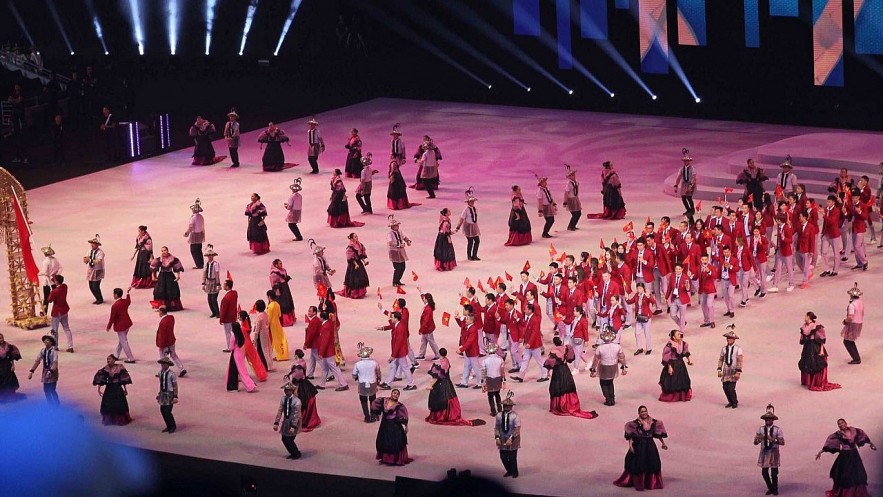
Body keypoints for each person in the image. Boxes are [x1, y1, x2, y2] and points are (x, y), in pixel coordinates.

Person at [816, 418, 877, 497]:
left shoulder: (854, 431)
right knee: (845, 474)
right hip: (845, 456)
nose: (841, 425)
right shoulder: (838, 434)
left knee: (856, 473)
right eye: (839, 424)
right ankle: (845, 494)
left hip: (854, 455)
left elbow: (862, 435)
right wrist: (821, 451)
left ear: (846, 423)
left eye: (842, 423)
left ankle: (857, 493)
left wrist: (871, 443)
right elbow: (830, 442)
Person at [613, 405, 668, 491]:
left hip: (650, 445)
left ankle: (650, 482)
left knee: (652, 462)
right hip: (639, 445)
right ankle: (638, 482)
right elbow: (631, 435)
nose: (644, 413)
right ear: (639, 413)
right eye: (642, 412)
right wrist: (630, 445)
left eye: (645, 411)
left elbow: (657, 434)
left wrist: (663, 443)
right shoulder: (635, 423)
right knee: (639, 463)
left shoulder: (653, 422)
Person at [426, 348, 485, 426]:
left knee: (439, 401)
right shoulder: (446, 360)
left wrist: (430, 385)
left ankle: (440, 417)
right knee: (449, 399)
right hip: (448, 383)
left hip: (440, 385)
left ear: (439, 353)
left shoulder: (439, 364)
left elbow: (436, 377)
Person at [545, 337, 598, 419]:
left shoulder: (553, 351)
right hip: (565, 369)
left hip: (557, 371)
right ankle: (570, 404)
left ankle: (560, 406)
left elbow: (550, 362)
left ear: (554, 343)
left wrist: (547, 372)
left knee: (557, 387)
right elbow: (570, 359)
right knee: (568, 386)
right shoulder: (566, 348)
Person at [798, 311, 841, 391]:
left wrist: (821, 350)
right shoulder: (804, 326)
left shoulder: (816, 326)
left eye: (805, 316)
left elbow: (821, 340)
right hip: (807, 347)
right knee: (807, 362)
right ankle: (809, 381)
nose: (804, 318)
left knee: (816, 363)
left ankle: (816, 382)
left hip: (815, 346)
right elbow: (803, 338)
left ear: (808, 317)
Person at [371, 389, 413, 466]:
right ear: (391, 393)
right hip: (385, 425)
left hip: (394, 426)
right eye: (394, 393)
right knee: (384, 440)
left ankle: (395, 460)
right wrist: (376, 412)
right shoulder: (384, 401)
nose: (395, 395)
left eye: (397, 394)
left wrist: (406, 426)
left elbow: (404, 416)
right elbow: (375, 403)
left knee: (395, 442)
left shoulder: (399, 406)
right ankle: (385, 458)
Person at [377, 311, 417, 390]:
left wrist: (393, 355)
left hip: (399, 352)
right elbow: (392, 326)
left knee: (404, 367)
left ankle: (411, 383)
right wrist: (383, 328)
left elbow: (398, 343)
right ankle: (388, 383)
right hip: (399, 351)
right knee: (393, 366)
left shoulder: (400, 328)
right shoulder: (398, 324)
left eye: (392, 317)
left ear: (396, 318)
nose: (390, 319)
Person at [590, 326, 628, 406]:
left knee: (603, 383)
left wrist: (593, 369)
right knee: (610, 382)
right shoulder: (617, 346)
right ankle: (612, 398)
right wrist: (623, 366)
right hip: (613, 366)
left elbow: (596, 360)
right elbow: (622, 357)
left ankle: (608, 399)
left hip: (604, 366)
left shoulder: (600, 348)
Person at [285, 349, 320, 432]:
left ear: (296, 356)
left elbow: (296, 379)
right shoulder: (303, 362)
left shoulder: (297, 366)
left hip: (300, 386)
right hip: (306, 384)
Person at [92, 355, 132, 426]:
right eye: (107, 359)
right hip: (109, 388)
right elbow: (101, 378)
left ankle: (120, 419)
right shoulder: (106, 368)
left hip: (117, 388)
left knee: (119, 403)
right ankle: (110, 419)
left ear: (114, 360)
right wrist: (99, 389)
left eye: (109, 359)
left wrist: (125, 389)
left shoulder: (120, 367)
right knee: (108, 403)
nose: (108, 361)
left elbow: (123, 379)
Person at [754, 404, 784, 495]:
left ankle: (775, 488)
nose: (767, 421)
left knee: (774, 474)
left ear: (772, 420)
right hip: (764, 453)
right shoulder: (761, 429)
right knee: (764, 473)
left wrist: (773, 440)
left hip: (774, 453)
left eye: (769, 419)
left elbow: (782, 442)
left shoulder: (777, 430)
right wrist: (758, 439)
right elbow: (755, 442)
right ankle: (770, 487)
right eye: (766, 419)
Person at [316, 311, 349, 391]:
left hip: (327, 352)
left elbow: (324, 341)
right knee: (325, 368)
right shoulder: (328, 323)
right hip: (328, 351)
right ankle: (322, 384)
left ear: (322, 318)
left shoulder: (325, 327)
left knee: (334, 368)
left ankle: (343, 384)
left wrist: (321, 353)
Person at [658, 330, 693, 402]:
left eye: (680, 334)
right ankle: (673, 396)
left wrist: (689, 360)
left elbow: (686, 351)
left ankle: (682, 396)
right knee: (672, 381)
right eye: (678, 334)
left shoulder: (683, 343)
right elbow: (666, 356)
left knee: (683, 380)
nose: (680, 335)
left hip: (680, 364)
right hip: (672, 364)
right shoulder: (670, 345)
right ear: (673, 337)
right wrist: (669, 367)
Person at [353, 343, 382, 422]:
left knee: (363, 400)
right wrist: (379, 380)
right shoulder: (374, 363)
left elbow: (354, 374)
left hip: (362, 384)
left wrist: (356, 378)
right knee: (373, 399)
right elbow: (378, 373)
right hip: (372, 383)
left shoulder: (357, 364)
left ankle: (367, 417)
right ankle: (373, 415)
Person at [273, 383, 303, 459]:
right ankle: (293, 453)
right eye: (285, 390)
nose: (286, 391)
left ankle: (296, 453)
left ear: (292, 391)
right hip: (286, 421)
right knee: (284, 439)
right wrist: (276, 422)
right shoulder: (283, 399)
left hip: (293, 422)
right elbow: (280, 410)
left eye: (288, 390)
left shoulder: (297, 401)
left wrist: (293, 426)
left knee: (289, 439)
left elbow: (297, 415)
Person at [150, 247, 184, 311]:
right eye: (162, 251)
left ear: (167, 251)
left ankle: (171, 306)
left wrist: (178, 276)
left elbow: (177, 266)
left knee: (171, 291)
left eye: (165, 250)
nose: (163, 252)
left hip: (170, 276)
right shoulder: (159, 259)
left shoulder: (173, 258)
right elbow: (153, 266)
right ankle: (161, 306)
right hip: (162, 276)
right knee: (159, 291)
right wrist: (153, 276)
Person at [226, 323, 258, 393]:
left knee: (237, 371)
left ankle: (245, 386)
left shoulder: (233, 337)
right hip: (241, 353)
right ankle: (251, 384)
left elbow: (231, 348)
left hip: (235, 355)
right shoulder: (241, 335)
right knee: (244, 371)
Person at [495, 392, 520, 478]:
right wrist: (497, 437)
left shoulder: (515, 416)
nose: (506, 407)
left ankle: (515, 472)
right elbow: (497, 427)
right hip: (502, 438)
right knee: (503, 457)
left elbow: (517, 429)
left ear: (511, 407)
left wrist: (511, 438)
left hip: (513, 439)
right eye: (504, 406)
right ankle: (509, 470)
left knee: (512, 457)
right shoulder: (498, 415)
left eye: (508, 406)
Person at [106, 287, 135, 363]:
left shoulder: (115, 305)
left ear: (116, 295)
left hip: (120, 325)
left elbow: (112, 318)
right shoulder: (125, 302)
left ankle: (131, 358)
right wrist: (128, 293)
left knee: (124, 341)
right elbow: (129, 301)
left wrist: (109, 326)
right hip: (127, 323)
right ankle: (116, 354)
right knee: (121, 340)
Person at [156, 306, 186, 377]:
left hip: (165, 343)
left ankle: (163, 372)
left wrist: (161, 346)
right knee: (174, 355)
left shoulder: (162, 323)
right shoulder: (171, 318)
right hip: (171, 340)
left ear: (161, 312)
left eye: (159, 311)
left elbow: (162, 335)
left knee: (162, 358)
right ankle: (182, 368)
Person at [239, 311, 268, 382]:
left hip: (244, 345)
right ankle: (261, 374)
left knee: (240, 361)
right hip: (249, 344)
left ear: (241, 317)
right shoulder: (246, 324)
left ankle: (239, 375)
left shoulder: (242, 327)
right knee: (254, 360)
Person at [29, 335, 59, 404]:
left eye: (48, 340)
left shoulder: (54, 351)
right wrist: (32, 371)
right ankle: (50, 404)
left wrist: (50, 371)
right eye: (45, 340)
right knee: (46, 390)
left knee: (52, 390)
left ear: (51, 342)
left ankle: (57, 404)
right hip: (45, 372)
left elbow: (55, 362)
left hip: (53, 372)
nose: (46, 341)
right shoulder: (43, 351)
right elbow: (37, 360)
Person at [717, 328, 743, 408]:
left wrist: (738, 372)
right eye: (727, 338)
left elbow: (739, 361)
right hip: (726, 370)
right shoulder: (724, 349)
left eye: (730, 338)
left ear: (734, 340)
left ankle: (734, 401)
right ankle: (730, 401)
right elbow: (721, 359)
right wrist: (719, 369)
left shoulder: (738, 349)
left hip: (733, 370)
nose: (728, 339)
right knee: (725, 387)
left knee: (731, 388)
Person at [47, 274, 74, 353]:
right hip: (64, 310)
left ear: (56, 281)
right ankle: (70, 346)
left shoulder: (54, 292)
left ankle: (55, 346)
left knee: (54, 330)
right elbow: (57, 282)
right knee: (66, 328)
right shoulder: (65, 287)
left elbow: (49, 300)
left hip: (56, 312)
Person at [339, 233, 370, 299]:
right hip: (353, 265)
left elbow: (361, 255)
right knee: (354, 279)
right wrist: (355, 264)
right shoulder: (350, 247)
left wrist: (365, 261)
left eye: (357, 236)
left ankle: (361, 292)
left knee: (361, 277)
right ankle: (354, 293)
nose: (357, 237)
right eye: (355, 236)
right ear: (352, 238)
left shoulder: (359, 244)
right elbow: (350, 257)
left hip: (359, 263)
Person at [455, 188, 481, 261]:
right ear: (468, 202)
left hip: (474, 226)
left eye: (473, 201)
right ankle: (469, 256)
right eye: (471, 201)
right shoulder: (465, 210)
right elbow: (461, 219)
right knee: (470, 241)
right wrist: (458, 227)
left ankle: (474, 255)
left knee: (477, 241)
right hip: (468, 227)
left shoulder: (474, 208)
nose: (472, 202)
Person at [841, 282, 864, 365]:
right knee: (849, 341)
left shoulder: (852, 305)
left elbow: (850, 317)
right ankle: (856, 358)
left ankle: (856, 358)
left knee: (847, 341)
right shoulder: (860, 302)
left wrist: (845, 321)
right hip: (859, 322)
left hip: (853, 324)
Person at [482, 341, 506, 416]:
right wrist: (504, 381)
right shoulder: (500, 359)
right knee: (497, 394)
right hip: (498, 378)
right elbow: (502, 372)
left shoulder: (485, 361)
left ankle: (493, 411)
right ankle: (500, 409)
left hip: (489, 379)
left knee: (490, 396)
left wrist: (483, 383)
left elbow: (483, 373)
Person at [270, 259, 296, 326]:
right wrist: (278, 288)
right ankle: (283, 320)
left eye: (281, 263)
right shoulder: (274, 273)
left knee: (288, 302)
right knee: (282, 304)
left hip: (285, 288)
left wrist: (286, 280)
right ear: (276, 265)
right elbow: (273, 284)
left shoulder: (283, 270)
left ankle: (290, 318)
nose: (281, 265)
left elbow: (283, 279)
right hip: (280, 290)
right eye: (280, 263)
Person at [415, 290, 440, 360]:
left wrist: (421, 329)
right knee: (423, 341)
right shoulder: (428, 306)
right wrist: (420, 291)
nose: (423, 299)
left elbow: (425, 321)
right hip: (427, 328)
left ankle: (438, 354)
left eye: (424, 298)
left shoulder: (428, 309)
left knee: (431, 342)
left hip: (427, 328)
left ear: (426, 299)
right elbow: (423, 297)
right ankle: (421, 355)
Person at [387, 216, 411, 287]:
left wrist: (408, 241)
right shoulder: (390, 234)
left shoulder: (400, 232)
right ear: (392, 227)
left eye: (397, 225)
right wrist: (398, 245)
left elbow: (404, 237)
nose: (397, 226)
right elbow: (390, 243)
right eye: (395, 226)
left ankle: (398, 280)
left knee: (403, 267)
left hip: (401, 252)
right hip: (394, 252)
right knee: (397, 267)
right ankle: (395, 281)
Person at [266, 290, 290, 361]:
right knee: (281, 338)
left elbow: (269, 318)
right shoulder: (277, 304)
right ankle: (284, 354)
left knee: (276, 340)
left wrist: (267, 326)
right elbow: (279, 314)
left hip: (273, 325)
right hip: (278, 323)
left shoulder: (270, 306)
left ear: (269, 297)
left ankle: (280, 356)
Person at [156, 357, 178, 433]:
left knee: (167, 411)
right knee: (162, 410)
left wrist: (175, 396)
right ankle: (168, 426)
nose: (163, 365)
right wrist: (159, 393)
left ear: (168, 365)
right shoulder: (160, 373)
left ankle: (173, 426)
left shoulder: (172, 374)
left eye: (164, 364)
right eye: (162, 364)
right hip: (163, 394)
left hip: (169, 393)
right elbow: (161, 383)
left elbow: (175, 385)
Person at [674, 148, 697, 221]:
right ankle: (688, 209)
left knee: (689, 198)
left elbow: (694, 177)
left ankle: (692, 210)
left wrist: (691, 185)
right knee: (683, 198)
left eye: (687, 161)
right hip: (684, 184)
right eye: (684, 161)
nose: (685, 162)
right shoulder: (681, 169)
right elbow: (678, 177)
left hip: (690, 184)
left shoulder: (692, 169)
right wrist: (676, 185)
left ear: (689, 161)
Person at [38, 245, 62, 316]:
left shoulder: (46, 262)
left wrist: (39, 273)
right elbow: (61, 268)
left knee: (46, 298)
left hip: (47, 282)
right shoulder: (55, 259)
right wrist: (56, 274)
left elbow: (45, 272)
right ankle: (57, 311)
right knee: (56, 297)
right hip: (54, 281)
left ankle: (44, 312)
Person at [253, 300, 274, 371]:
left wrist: (255, 338)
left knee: (261, 350)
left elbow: (257, 330)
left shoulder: (259, 316)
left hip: (261, 335)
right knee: (266, 349)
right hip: (266, 333)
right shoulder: (265, 314)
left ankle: (264, 366)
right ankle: (268, 364)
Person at [84, 234, 105, 304]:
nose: (92, 245)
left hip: (98, 270)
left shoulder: (100, 252)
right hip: (91, 269)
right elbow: (86, 259)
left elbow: (98, 261)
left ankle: (100, 299)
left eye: (93, 244)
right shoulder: (89, 251)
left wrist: (89, 260)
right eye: (91, 243)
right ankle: (97, 298)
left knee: (96, 286)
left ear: (97, 245)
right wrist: (85, 260)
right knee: (91, 286)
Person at [184, 198, 205, 269]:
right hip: (200, 234)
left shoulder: (193, 218)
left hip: (195, 235)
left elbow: (191, 226)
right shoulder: (201, 217)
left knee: (194, 250)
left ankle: (198, 264)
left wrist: (187, 233)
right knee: (199, 249)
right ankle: (201, 263)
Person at [0, 333, 22, 399]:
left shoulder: (8, 346)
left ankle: (10, 395)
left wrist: (13, 365)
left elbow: (11, 357)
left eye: (1, 337)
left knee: (10, 380)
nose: (1, 339)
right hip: (0, 366)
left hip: (7, 365)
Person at [202, 245, 221, 318]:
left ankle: (217, 312)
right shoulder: (206, 264)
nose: (210, 257)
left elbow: (217, 274)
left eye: (211, 255)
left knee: (214, 299)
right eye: (209, 256)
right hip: (208, 281)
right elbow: (204, 273)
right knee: (209, 299)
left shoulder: (216, 264)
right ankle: (213, 312)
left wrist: (218, 284)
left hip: (214, 281)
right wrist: (203, 283)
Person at [563, 165, 582, 230]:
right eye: (571, 175)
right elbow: (566, 193)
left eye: (573, 174)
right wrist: (565, 201)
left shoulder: (576, 182)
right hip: (571, 199)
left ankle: (573, 225)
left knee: (578, 213)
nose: (573, 176)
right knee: (575, 214)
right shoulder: (569, 184)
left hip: (575, 198)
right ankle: (570, 226)